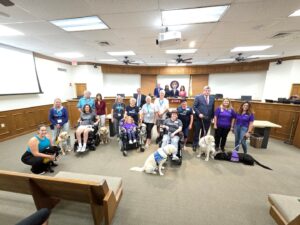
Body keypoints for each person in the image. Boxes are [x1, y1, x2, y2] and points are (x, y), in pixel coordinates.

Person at [192, 86, 215, 151]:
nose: (207, 92)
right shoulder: (198, 97)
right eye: (206, 90)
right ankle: (195, 145)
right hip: (199, 119)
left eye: (209, 91)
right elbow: (194, 107)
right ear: (203, 90)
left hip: (208, 119)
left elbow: (212, 108)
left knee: (204, 133)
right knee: (196, 133)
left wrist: (212, 117)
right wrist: (199, 113)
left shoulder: (212, 98)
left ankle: (201, 145)